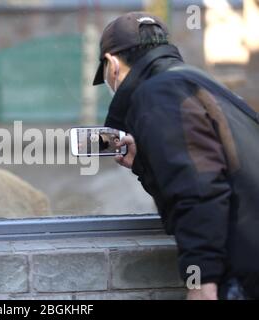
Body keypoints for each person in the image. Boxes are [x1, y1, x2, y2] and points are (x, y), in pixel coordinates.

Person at [93, 12, 259, 300]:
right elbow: (204, 173)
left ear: (112, 65)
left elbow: (198, 191)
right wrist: (144, 164)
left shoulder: (158, 94)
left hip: (245, 274)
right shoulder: (194, 80)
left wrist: (202, 281)